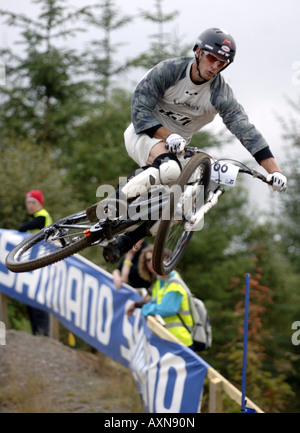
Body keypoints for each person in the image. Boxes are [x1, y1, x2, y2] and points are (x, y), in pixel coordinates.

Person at [103, 27, 287, 264]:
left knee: (190, 200)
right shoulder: (170, 71)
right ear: (198, 52)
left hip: (174, 148)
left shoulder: (220, 93)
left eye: (222, 63)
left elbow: (246, 131)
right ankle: (114, 203)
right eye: (211, 58)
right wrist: (166, 135)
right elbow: (139, 108)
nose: (214, 66)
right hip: (144, 133)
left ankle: (127, 241)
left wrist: (275, 171)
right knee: (169, 169)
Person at [127, 246, 194, 349]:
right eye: (148, 260)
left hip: (180, 342)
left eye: (155, 257)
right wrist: (138, 305)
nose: (151, 263)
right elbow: (153, 303)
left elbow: (166, 309)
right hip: (165, 339)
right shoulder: (159, 282)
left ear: (166, 258)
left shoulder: (175, 282)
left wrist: (145, 309)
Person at [18, 189, 52, 336]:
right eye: (28, 202)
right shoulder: (37, 217)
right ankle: (37, 334)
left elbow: (22, 228)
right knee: (30, 299)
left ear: (39, 203)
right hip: (33, 265)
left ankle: (42, 334)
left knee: (38, 299)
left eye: (33, 202)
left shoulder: (42, 216)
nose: (30, 206)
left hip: (41, 264)